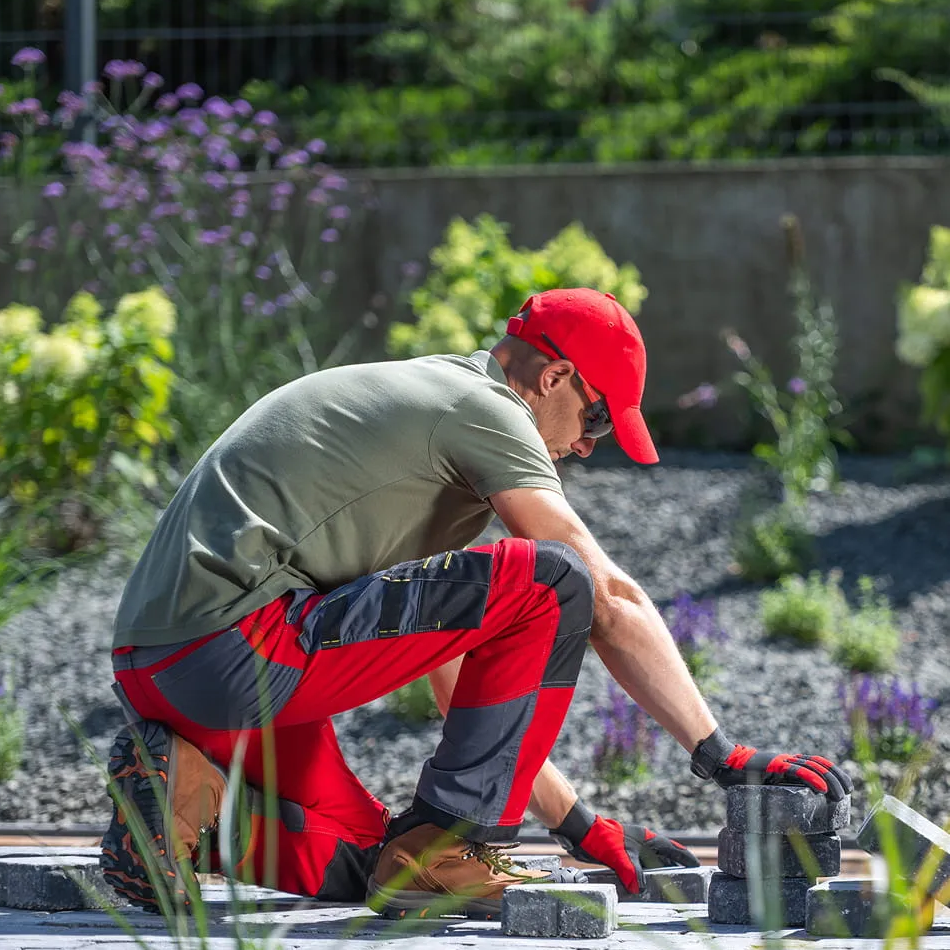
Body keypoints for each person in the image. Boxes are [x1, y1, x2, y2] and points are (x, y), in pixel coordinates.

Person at [101, 287, 852, 917]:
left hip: (172, 672)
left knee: (386, 868)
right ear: (554, 376)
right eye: (596, 420)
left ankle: (175, 808)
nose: (590, 446)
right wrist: (725, 758)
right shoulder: (484, 409)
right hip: (235, 651)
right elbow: (606, 597)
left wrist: (582, 828)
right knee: (555, 578)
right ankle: (453, 846)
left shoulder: (424, 423)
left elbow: (455, 664)